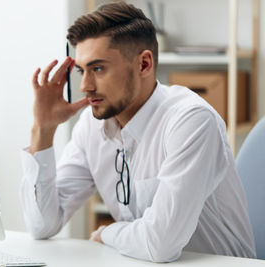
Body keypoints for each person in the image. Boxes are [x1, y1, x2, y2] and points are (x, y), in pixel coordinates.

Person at [20, 2, 256, 262]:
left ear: (144, 64)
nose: (85, 86)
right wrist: (43, 129)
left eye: (98, 69)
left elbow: (159, 244)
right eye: (81, 71)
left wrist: (108, 232)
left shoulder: (191, 121)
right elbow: (42, 225)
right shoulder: (92, 125)